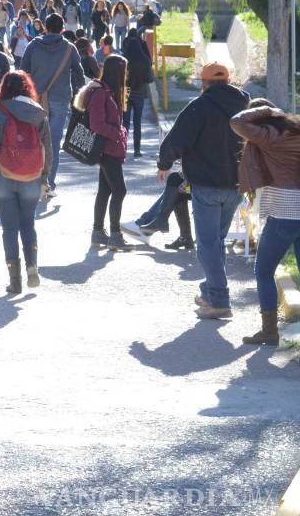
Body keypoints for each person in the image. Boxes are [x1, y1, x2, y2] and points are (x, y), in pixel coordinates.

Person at [157, 61, 249, 319]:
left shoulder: (199, 107)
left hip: (207, 186)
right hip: (236, 186)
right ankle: (209, 292)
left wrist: (163, 164)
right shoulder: (245, 105)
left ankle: (219, 298)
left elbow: (177, 140)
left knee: (207, 245)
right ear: (229, 81)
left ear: (205, 83)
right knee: (216, 241)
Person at [231, 103, 300, 346]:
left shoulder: (270, 136)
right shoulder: (295, 130)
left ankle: (269, 331)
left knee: (263, 270)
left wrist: (268, 110)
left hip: (285, 212)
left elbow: (237, 121)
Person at [0, 71, 51, 293]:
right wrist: (44, 179)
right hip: (31, 177)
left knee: (9, 227)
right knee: (28, 223)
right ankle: (32, 266)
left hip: (2, 175)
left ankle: (15, 280)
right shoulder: (39, 113)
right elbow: (48, 149)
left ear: (4, 88)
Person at [20, 13, 87, 195]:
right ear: (62, 28)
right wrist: (80, 98)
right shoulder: (69, 48)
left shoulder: (33, 45)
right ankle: (48, 183)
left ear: (45, 27)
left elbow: (23, 71)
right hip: (60, 99)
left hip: (35, 100)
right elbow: (79, 75)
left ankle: (31, 180)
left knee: (33, 141)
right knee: (53, 143)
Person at [74, 56, 133, 250]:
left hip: (110, 148)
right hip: (107, 149)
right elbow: (97, 124)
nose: (126, 75)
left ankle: (98, 233)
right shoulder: (101, 93)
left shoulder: (107, 91)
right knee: (120, 190)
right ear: (117, 72)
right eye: (124, 71)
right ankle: (115, 235)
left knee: (105, 190)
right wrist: (118, 133)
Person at [123, 172, 194, 250]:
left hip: (204, 183)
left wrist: (188, 180)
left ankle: (155, 222)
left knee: (175, 182)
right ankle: (184, 236)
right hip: (198, 181)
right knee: (177, 183)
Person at [122, 28, 154, 157]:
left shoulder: (124, 60)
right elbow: (149, 78)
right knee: (137, 122)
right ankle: (137, 150)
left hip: (126, 92)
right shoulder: (145, 60)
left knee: (125, 123)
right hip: (140, 92)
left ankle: (122, 148)